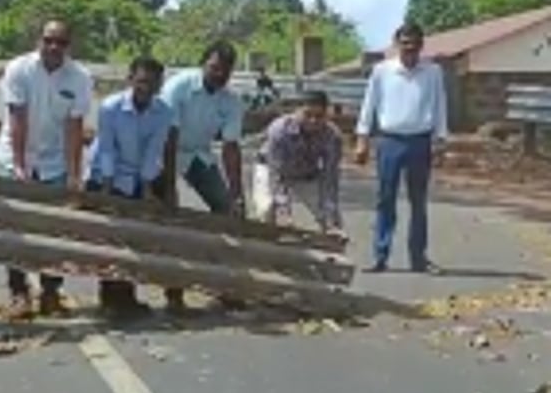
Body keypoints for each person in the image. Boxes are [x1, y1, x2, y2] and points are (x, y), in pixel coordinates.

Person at [0, 19, 92, 319]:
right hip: (16, 153)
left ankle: (51, 291)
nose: (54, 47)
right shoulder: (19, 69)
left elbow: (75, 128)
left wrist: (75, 174)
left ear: (68, 47)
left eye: (61, 43)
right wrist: (22, 168)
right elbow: (17, 119)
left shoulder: (79, 78)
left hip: (55, 160)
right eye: (48, 40)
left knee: (55, 229)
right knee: (15, 227)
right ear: (39, 40)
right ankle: (18, 290)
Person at [159, 40, 246, 314]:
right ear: (204, 64)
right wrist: (169, 183)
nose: (219, 75)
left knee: (226, 211)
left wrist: (237, 192)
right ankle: (174, 290)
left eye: (225, 71)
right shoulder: (179, 86)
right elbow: (168, 135)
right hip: (165, 152)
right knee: (171, 218)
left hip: (198, 155)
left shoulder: (231, 101)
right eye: (215, 68)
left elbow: (231, 147)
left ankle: (225, 284)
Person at [354, 22, 448, 273]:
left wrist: (440, 140)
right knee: (385, 199)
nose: (410, 49)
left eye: (415, 44)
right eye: (405, 44)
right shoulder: (382, 71)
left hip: (420, 140)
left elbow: (440, 106)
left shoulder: (432, 72)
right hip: (390, 140)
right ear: (397, 45)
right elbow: (369, 105)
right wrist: (362, 138)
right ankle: (380, 255)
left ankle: (418, 257)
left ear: (421, 46)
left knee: (418, 202)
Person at [83, 56, 173, 318]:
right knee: (111, 236)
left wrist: (146, 189)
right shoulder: (111, 107)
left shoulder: (163, 112)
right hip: (106, 173)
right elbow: (108, 149)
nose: (146, 88)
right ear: (130, 80)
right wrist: (109, 191)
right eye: (142, 81)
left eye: (153, 83)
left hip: (138, 175)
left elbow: (153, 151)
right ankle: (109, 296)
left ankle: (127, 295)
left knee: (135, 237)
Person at [251, 91, 345, 237]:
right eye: (307, 115)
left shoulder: (332, 136)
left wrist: (330, 218)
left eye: (319, 117)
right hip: (270, 167)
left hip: (306, 173)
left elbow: (330, 178)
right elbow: (276, 174)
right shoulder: (279, 130)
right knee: (267, 209)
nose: (313, 121)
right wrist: (283, 211)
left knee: (330, 220)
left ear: (326, 115)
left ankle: (332, 246)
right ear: (297, 111)